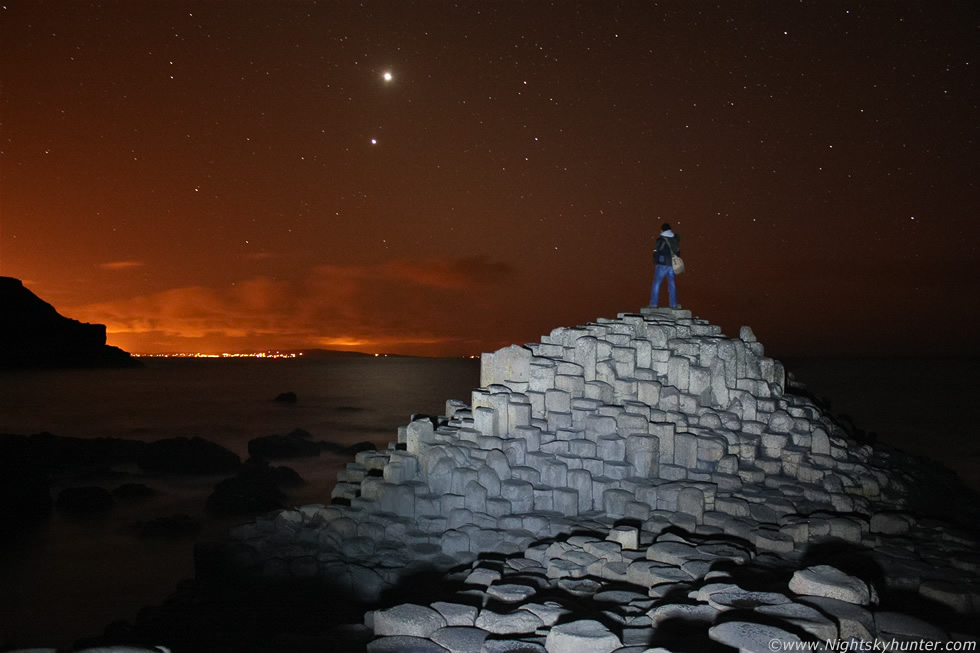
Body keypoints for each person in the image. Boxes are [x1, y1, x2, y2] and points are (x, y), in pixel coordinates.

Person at [650, 223, 680, 308]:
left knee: (656, 284)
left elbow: (656, 252)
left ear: (662, 230)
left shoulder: (660, 239)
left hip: (662, 264)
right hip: (672, 265)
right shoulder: (675, 239)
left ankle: (653, 303)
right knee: (672, 285)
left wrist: (656, 262)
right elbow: (678, 252)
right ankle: (673, 304)